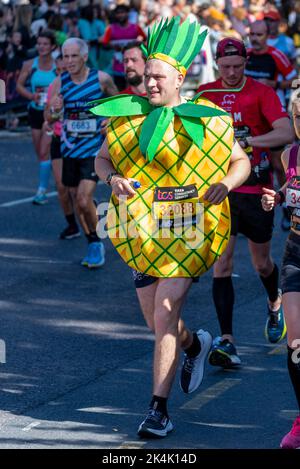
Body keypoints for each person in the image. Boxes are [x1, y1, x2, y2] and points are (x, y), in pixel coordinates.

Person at [93, 17, 250, 438]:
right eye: (146, 77)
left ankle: (158, 410)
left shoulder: (209, 120)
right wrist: (113, 180)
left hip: (190, 228)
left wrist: (225, 184)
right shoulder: (127, 119)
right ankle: (196, 345)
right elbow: (102, 160)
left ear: (180, 76)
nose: (150, 85)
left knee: (165, 313)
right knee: (158, 323)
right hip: (140, 234)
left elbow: (241, 162)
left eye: (159, 78)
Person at [197, 37, 294, 368]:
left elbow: (285, 132)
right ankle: (227, 340)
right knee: (221, 264)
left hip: (255, 188)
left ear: (246, 62)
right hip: (218, 190)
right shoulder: (205, 94)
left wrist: (248, 140)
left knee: (261, 264)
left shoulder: (261, 93)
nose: (232, 72)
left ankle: (273, 300)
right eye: (226, 67)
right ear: (217, 66)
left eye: (238, 66)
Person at [50, 37, 118, 268]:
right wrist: (54, 110)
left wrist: (110, 119)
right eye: (65, 56)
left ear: (84, 56)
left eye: (73, 56)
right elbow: (49, 117)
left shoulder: (101, 79)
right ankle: (91, 238)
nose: (68, 61)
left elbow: (118, 106)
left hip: (94, 150)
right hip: (69, 149)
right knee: (76, 200)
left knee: (82, 197)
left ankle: (96, 243)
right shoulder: (61, 82)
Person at [261, 98, 300, 449]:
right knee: (296, 343)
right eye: (298, 117)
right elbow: (292, 188)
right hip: (296, 252)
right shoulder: (291, 155)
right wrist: (278, 197)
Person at [246, 19, 297, 230]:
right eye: (252, 35)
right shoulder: (245, 56)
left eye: (259, 35)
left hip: (272, 117)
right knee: (247, 162)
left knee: (278, 165)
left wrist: (275, 84)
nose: (255, 39)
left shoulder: (276, 55)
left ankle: (289, 209)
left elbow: (296, 81)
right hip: (251, 118)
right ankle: (248, 212)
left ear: (268, 35)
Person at [16, 30, 57, 205]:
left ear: (53, 46)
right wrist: (31, 96)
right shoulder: (29, 65)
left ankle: (41, 190)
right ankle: (52, 176)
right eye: (39, 43)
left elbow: (64, 85)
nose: (41, 47)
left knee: (44, 151)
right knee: (40, 152)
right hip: (34, 111)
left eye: (45, 44)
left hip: (52, 115)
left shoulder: (58, 65)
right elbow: (18, 85)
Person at [44, 54, 80, 240]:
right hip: (59, 138)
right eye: (58, 71)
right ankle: (72, 225)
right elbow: (47, 114)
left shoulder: (81, 86)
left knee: (75, 190)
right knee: (61, 187)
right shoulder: (54, 86)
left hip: (78, 140)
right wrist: (53, 114)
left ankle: (85, 204)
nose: (61, 75)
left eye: (63, 71)